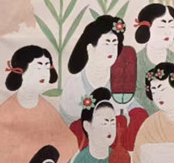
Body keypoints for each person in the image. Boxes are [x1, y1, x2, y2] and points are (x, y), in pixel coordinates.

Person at [0, 45, 77, 163]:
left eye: (47, 67)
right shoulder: (4, 114)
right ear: (22, 71)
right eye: (39, 67)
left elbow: (69, 143)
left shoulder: (48, 110)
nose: (44, 73)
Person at [60, 15, 147, 149]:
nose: (112, 49)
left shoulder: (121, 80)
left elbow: (135, 110)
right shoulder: (75, 85)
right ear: (90, 48)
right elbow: (68, 127)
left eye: (115, 43)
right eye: (107, 43)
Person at [132, 3, 174, 114]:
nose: (168, 32)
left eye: (171, 26)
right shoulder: (136, 62)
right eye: (161, 26)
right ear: (147, 29)